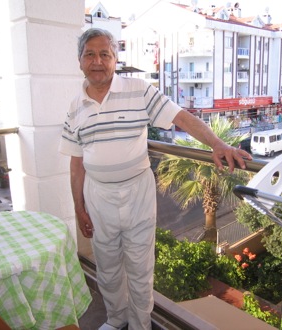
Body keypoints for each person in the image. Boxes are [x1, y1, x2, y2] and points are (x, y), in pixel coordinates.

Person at [59, 28, 251, 330]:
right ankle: (115, 319)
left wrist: (218, 144)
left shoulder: (139, 89)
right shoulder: (75, 107)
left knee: (139, 267)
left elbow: (182, 117)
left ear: (115, 59)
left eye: (104, 54)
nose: (97, 61)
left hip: (137, 192)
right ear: (80, 61)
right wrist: (79, 208)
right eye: (90, 54)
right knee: (107, 269)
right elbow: (75, 164)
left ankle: (140, 325)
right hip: (97, 196)